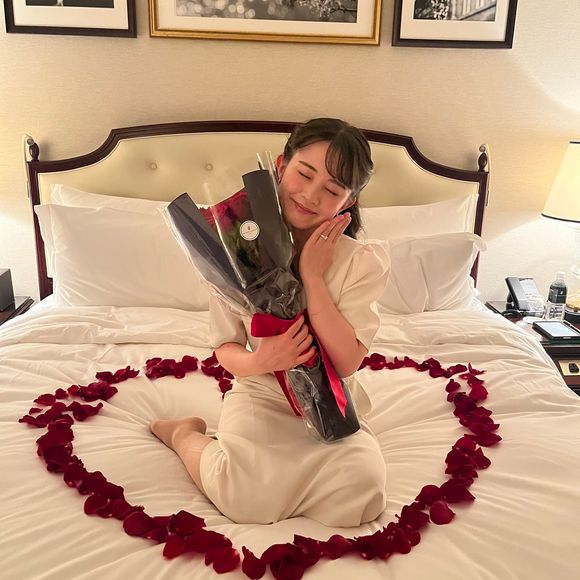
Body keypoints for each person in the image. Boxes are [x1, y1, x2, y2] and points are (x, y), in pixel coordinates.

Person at [151, 118, 390, 527]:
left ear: (348, 202)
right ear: (281, 166)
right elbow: (226, 347)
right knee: (243, 497)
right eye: (304, 174)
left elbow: (347, 362)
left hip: (330, 401)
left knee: (363, 494)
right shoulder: (235, 249)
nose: (311, 195)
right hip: (261, 394)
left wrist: (313, 276)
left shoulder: (361, 262)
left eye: (332, 190)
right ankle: (184, 434)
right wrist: (262, 360)